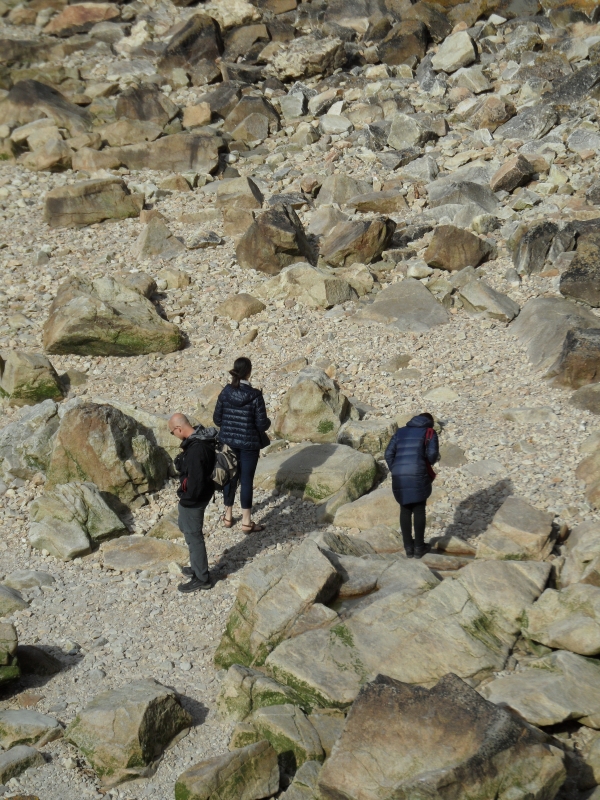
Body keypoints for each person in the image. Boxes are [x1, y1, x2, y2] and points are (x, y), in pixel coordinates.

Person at [213, 357, 271, 534]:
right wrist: (267, 422)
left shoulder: (225, 392)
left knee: (229, 476)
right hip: (249, 444)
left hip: (228, 442)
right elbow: (262, 425)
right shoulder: (255, 396)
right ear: (249, 372)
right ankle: (246, 522)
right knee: (246, 481)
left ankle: (228, 516)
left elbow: (217, 419)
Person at [169, 413, 216, 593]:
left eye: (172, 432)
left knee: (193, 537)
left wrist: (186, 499)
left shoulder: (196, 450)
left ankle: (202, 578)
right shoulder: (201, 437)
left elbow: (195, 481)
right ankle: (197, 567)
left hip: (195, 500)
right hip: (202, 494)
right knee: (188, 530)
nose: (173, 435)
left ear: (179, 429)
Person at [385, 412, 439, 559]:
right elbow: (432, 455)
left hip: (399, 473)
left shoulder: (400, 432)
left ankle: (408, 548)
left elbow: (388, 454)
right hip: (417, 472)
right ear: (430, 422)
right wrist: (424, 462)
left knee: (405, 509)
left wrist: (396, 468)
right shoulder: (429, 432)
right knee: (419, 509)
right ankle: (419, 547)